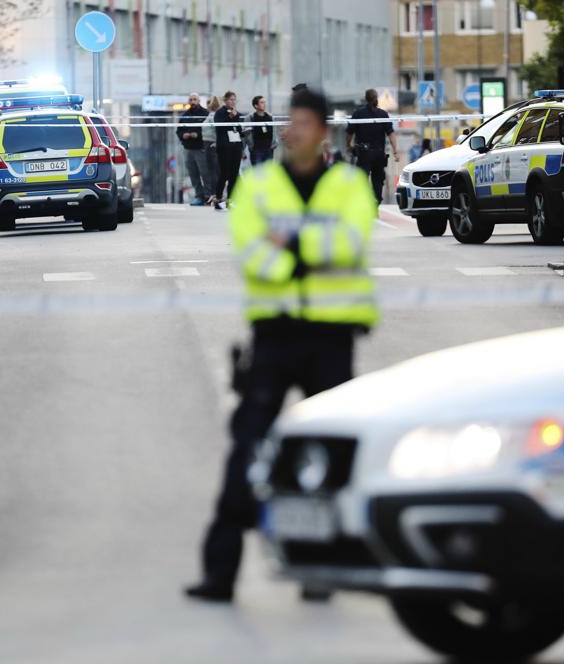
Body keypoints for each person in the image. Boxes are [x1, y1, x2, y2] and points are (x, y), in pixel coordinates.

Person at [185, 88, 379, 603]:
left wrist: (289, 246)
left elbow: (353, 244)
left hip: (332, 337)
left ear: (323, 132)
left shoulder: (349, 185)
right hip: (273, 336)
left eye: (303, 122)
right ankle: (219, 574)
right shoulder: (260, 185)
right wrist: (314, 253)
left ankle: (321, 568)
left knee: (332, 455)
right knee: (247, 449)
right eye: (288, 121)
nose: (292, 131)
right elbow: (251, 253)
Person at [346, 88, 399, 202]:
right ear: (377, 98)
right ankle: (377, 200)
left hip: (364, 153)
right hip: (379, 154)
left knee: (362, 179)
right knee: (378, 181)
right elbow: (391, 134)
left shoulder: (358, 114)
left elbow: (349, 133)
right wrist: (395, 151)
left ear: (365, 99)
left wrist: (349, 146)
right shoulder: (383, 114)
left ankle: (365, 200)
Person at [177, 94, 212, 205]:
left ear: (199, 101)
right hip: (188, 149)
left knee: (205, 173)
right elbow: (179, 131)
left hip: (201, 148)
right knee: (193, 174)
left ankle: (208, 195)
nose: (193, 102)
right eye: (191, 100)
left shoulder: (205, 114)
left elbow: (209, 130)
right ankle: (199, 196)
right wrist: (183, 135)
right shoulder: (185, 115)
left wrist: (198, 135)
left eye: (195, 99)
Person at [213, 91, 243, 210]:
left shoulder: (237, 113)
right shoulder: (220, 113)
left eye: (234, 99)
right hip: (224, 146)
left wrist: (244, 131)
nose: (233, 102)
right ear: (225, 101)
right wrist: (231, 118)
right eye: (230, 99)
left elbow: (238, 129)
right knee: (224, 173)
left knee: (234, 174)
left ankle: (231, 199)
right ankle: (218, 198)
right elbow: (221, 127)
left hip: (236, 146)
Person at [201, 96, 222, 207]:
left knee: (215, 172)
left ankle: (215, 194)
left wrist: (217, 142)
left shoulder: (214, 116)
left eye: (209, 103)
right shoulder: (210, 115)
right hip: (207, 144)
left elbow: (219, 130)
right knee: (210, 171)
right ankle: (213, 194)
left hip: (212, 144)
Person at [246, 95, 275, 165]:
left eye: (264, 102)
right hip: (256, 150)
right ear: (256, 106)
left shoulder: (270, 117)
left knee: (269, 173)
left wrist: (275, 143)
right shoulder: (250, 118)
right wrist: (249, 148)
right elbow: (246, 134)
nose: (264, 104)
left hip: (269, 150)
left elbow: (274, 131)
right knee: (258, 173)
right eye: (262, 102)